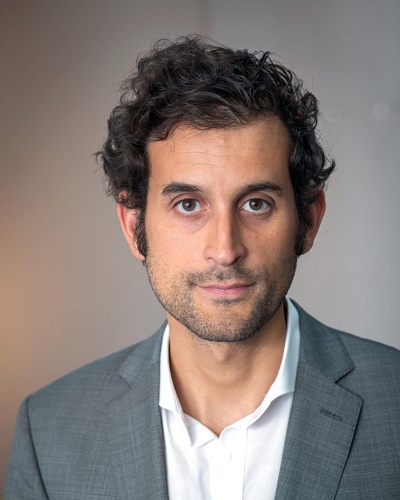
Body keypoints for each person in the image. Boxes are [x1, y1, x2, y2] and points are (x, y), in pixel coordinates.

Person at [5, 36, 400, 500]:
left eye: (256, 203)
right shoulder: (48, 431)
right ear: (134, 227)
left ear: (308, 221)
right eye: (188, 204)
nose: (225, 250)